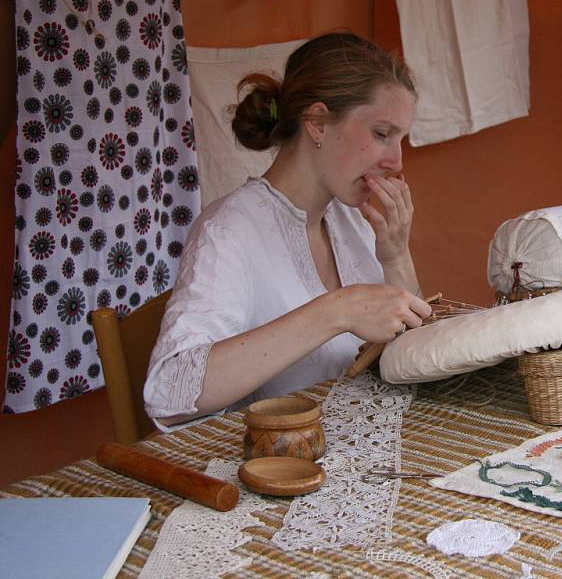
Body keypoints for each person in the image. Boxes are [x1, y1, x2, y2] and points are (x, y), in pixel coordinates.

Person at [143, 32, 431, 428]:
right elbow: (170, 390)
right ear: (316, 123)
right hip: (275, 466)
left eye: (401, 140)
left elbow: (418, 362)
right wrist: (335, 310)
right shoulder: (228, 231)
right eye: (382, 134)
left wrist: (397, 257)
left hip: (361, 443)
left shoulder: (348, 219)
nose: (396, 161)